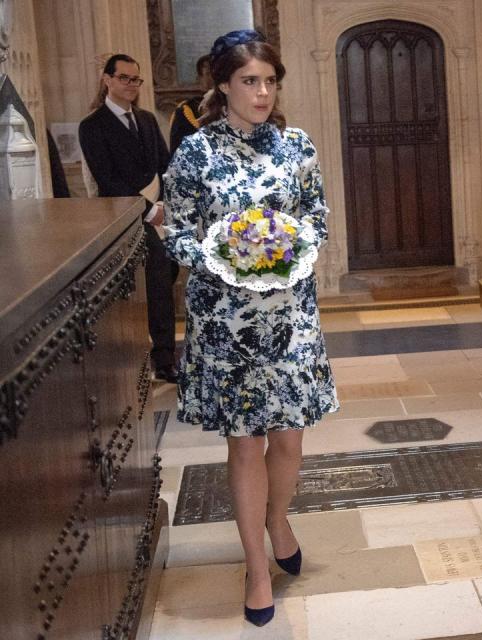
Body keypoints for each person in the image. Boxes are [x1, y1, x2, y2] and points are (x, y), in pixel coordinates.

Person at [161, 30, 339, 626]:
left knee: (288, 439)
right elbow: (177, 232)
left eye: (270, 81)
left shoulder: (298, 147)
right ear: (223, 85)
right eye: (250, 81)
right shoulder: (196, 153)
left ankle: (278, 518)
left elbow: (317, 218)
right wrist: (226, 255)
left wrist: (291, 245)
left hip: (289, 315)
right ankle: (256, 566)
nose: (263, 93)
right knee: (246, 443)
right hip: (226, 320)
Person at [79, 53, 179, 383]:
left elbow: (165, 166)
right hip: (123, 217)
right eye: (124, 78)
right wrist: (149, 210)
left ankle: (164, 353)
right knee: (156, 273)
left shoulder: (148, 119)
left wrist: (165, 204)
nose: (131, 85)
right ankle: (156, 356)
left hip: (158, 209)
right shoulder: (92, 126)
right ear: (107, 79)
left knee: (168, 274)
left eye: (136, 79)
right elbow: (107, 179)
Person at [168, 54, 212, 155]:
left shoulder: (237, 108)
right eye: (208, 73)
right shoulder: (186, 110)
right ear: (199, 79)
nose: (214, 78)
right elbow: (178, 152)